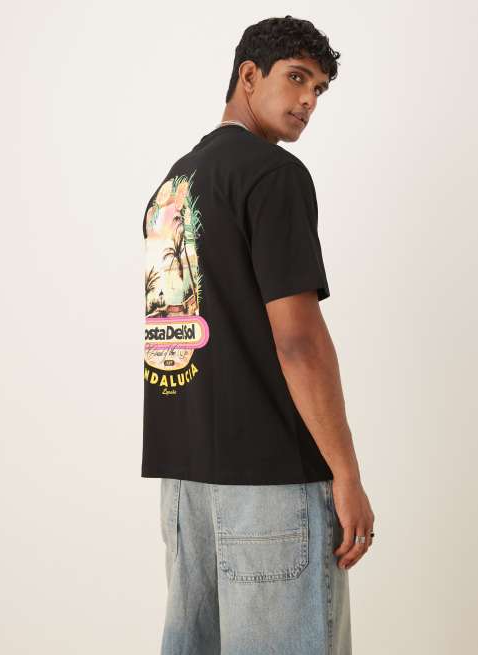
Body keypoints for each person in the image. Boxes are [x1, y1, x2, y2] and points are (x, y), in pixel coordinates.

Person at [142, 14, 375, 655]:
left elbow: (175, 334)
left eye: (318, 89)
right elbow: (297, 341)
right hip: (272, 483)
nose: (308, 100)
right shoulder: (273, 175)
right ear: (249, 76)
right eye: (296, 78)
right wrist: (347, 476)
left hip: (185, 485)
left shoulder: (174, 185)